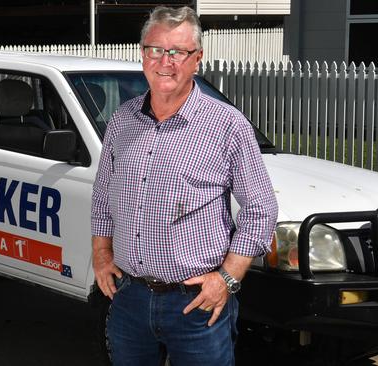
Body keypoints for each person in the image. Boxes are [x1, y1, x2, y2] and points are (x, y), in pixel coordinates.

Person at [90, 5, 278, 366]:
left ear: (197, 59)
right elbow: (102, 198)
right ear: (143, 54)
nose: (166, 61)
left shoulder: (227, 126)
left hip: (196, 303)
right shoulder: (122, 120)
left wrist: (227, 278)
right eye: (156, 50)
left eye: (178, 52)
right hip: (128, 297)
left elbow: (261, 209)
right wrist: (101, 257)